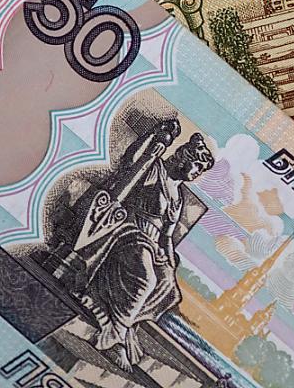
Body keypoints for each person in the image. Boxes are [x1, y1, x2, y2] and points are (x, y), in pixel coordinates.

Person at [78, 118, 214, 370]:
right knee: (146, 279)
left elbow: (167, 236)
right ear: (185, 157)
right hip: (127, 230)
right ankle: (114, 338)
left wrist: (169, 263)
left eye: (201, 171)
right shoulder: (155, 167)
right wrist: (154, 137)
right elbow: (130, 163)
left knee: (168, 288)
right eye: (197, 165)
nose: (197, 173)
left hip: (152, 244)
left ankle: (116, 321)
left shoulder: (178, 196)